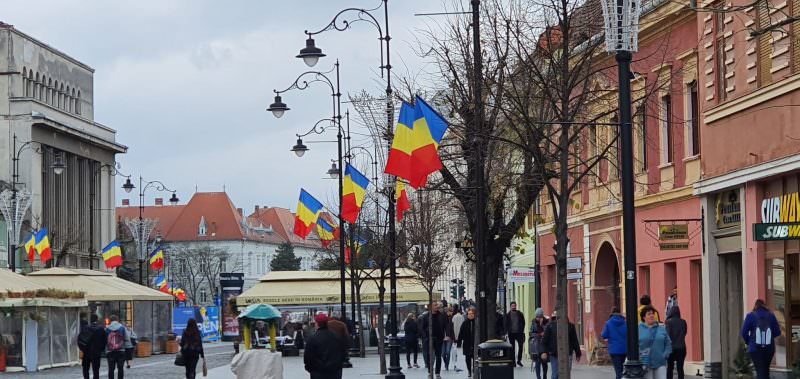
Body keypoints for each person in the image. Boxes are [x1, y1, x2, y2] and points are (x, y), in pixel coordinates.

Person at [741, 299, 781, 379]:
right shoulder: (771, 316)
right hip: (769, 348)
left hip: (755, 349)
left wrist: (749, 341)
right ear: (764, 306)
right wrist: (768, 337)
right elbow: (777, 333)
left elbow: (743, 332)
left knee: (760, 371)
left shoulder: (750, 316)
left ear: (755, 306)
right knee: (766, 370)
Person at [304, 313, 345, 379]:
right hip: (334, 372)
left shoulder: (312, 338)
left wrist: (310, 369)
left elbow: (308, 357)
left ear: (317, 324)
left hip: (318, 372)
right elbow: (343, 353)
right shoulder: (337, 336)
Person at [542, 311, 581, 379]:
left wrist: (578, 353)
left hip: (567, 353)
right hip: (554, 354)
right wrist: (543, 352)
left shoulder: (570, 326)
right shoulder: (550, 326)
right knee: (555, 374)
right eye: (555, 318)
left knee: (566, 373)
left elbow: (574, 340)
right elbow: (544, 341)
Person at [639, 306, 672, 379]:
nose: (652, 315)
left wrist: (665, 355)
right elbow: (634, 346)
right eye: (649, 314)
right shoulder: (638, 329)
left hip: (660, 362)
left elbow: (668, 343)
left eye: (652, 314)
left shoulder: (662, 328)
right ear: (644, 317)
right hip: (645, 363)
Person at [420, 301, 447, 379]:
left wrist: (445, 335)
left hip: (439, 338)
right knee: (429, 356)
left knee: (439, 356)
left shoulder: (441, 315)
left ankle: (437, 372)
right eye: (435, 305)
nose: (437, 306)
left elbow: (445, 325)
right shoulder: (426, 316)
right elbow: (422, 328)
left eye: (437, 305)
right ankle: (430, 371)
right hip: (429, 338)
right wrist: (425, 337)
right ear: (431, 307)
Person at [601, 307, 627, 379]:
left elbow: (604, 335)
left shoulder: (608, 323)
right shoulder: (625, 322)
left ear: (612, 313)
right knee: (623, 369)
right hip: (625, 349)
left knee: (618, 370)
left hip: (614, 350)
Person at [78, 314, 107, 379]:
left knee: (85, 368)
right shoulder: (101, 329)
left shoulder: (85, 328)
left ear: (90, 320)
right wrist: (100, 349)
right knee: (96, 370)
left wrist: (83, 349)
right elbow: (105, 341)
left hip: (86, 352)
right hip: (96, 352)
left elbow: (79, 339)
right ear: (97, 319)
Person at [665, 305, 687, 379]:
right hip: (682, 347)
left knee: (670, 368)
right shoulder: (683, 322)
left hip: (671, 348)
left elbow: (667, 335)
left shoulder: (668, 322)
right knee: (680, 368)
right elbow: (685, 332)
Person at [105, 315, 128, 379]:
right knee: (120, 368)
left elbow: (104, 340)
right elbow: (127, 338)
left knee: (111, 369)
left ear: (110, 320)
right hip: (121, 350)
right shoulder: (122, 328)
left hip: (110, 351)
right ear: (117, 320)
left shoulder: (107, 329)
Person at [504, 301, 526, 367]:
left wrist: (521, 329)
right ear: (510, 307)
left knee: (521, 346)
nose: (513, 307)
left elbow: (523, 322)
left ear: (516, 306)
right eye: (512, 306)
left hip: (519, 333)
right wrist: (506, 332)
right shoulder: (508, 315)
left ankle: (519, 360)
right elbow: (506, 324)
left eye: (514, 305)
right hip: (511, 333)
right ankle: (513, 362)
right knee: (512, 348)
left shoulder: (520, 314)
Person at [456, 307, 476, 378]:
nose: (471, 315)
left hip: (475, 343)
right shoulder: (464, 323)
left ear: (474, 315)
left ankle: (474, 370)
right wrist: (459, 343)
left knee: (475, 357)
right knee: (467, 358)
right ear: (467, 315)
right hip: (467, 343)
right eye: (469, 314)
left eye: (472, 314)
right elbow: (461, 333)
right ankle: (469, 371)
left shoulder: (476, 323)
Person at [528, 308, 549, 379]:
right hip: (536, 345)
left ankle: (544, 376)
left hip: (544, 345)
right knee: (537, 362)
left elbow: (548, 332)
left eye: (539, 317)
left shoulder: (546, 322)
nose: (538, 318)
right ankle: (538, 377)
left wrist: (542, 326)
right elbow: (530, 333)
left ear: (542, 316)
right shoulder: (533, 322)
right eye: (537, 317)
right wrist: (538, 334)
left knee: (544, 362)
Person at [451, 306, 464, 372]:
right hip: (460, 331)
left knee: (455, 342)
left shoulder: (454, 316)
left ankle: (456, 345)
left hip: (455, 331)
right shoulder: (462, 317)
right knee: (459, 342)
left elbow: (452, 323)